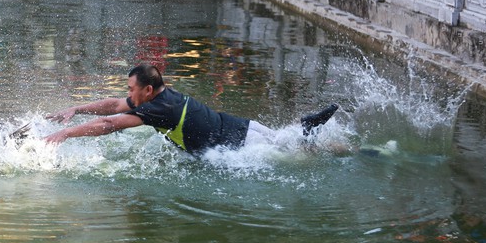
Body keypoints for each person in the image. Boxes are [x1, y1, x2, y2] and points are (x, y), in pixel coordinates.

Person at [44, 64, 338, 155]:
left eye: (131, 88)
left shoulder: (157, 110)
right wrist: (77, 108)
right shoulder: (160, 96)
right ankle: (315, 134)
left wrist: (66, 134)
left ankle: (309, 133)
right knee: (299, 145)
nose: (127, 94)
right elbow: (113, 105)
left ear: (147, 89)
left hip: (239, 146)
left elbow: (110, 123)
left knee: (296, 154)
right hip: (245, 126)